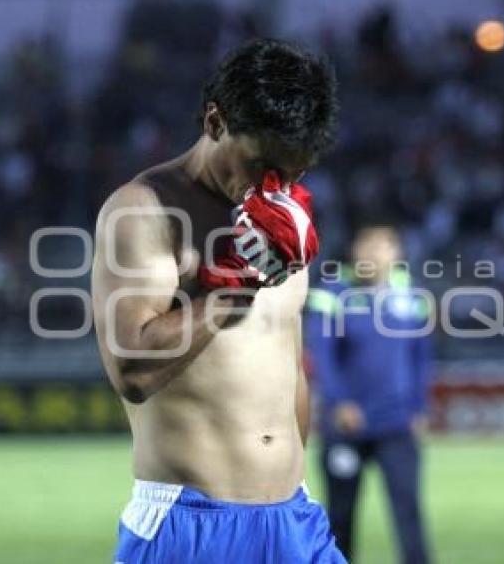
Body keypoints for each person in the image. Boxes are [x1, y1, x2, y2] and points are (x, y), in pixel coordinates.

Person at [91, 39, 345, 563]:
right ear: (214, 123)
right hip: (192, 527)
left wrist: (295, 485)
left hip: (294, 520)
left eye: (294, 172)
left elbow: (287, 365)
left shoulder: (284, 217)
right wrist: (235, 287)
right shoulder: (144, 210)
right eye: (261, 165)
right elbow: (131, 371)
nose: (274, 187)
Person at [305, 224, 433, 564]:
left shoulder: (412, 297)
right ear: (353, 251)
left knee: (409, 513)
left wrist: (420, 407)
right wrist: (338, 402)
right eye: (367, 244)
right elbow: (322, 356)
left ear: (397, 253)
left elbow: (421, 357)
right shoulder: (332, 293)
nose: (374, 253)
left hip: (398, 424)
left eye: (383, 245)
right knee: (341, 517)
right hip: (347, 426)